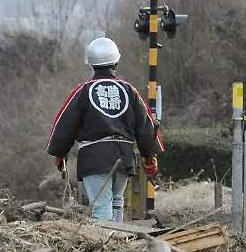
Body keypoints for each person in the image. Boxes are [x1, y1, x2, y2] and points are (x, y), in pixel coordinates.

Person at [46, 38, 160, 223]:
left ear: (91, 64)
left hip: (95, 158)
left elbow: (65, 124)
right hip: (124, 156)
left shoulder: (83, 91)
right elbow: (146, 125)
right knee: (117, 201)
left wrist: (60, 153)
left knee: (101, 205)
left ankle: (108, 246)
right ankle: (119, 243)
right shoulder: (129, 90)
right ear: (116, 61)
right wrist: (149, 156)